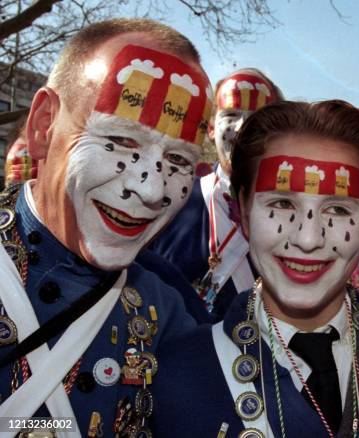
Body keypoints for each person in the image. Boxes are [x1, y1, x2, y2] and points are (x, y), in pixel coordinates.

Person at [152, 100, 359, 437]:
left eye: (337, 209)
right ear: (243, 211)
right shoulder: (178, 372)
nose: (307, 239)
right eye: (281, 203)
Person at [0, 18, 214, 436]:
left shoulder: (170, 315)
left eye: (177, 162)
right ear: (44, 126)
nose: (152, 190)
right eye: (120, 142)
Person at [150, 68, 283, 318]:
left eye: (259, 119)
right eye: (231, 115)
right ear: (211, 128)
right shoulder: (168, 201)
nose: (243, 126)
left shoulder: (301, 220)